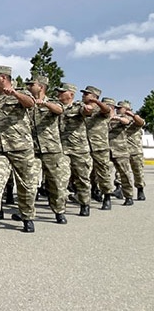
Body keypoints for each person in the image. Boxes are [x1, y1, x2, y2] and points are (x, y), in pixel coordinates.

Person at [0, 65, 37, 232]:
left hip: (20, 146)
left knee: (26, 184)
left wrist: (15, 94)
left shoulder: (22, 92)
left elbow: (30, 104)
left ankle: (27, 216)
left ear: (3, 78)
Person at [23, 75, 69, 224]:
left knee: (55, 183)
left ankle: (59, 211)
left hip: (51, 149)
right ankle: (27, 214)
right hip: (32, 149)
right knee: (29, 182)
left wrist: (45, 104)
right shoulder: (27, 102)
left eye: (32, 84)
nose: (29, 87)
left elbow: (59, 110)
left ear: (41, 87)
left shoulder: (53, 102)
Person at [57, 83, 94, 216]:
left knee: (82, 179)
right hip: (62, 149)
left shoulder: (78, 106)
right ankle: (60, 209)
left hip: (79, 149)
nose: (59, 94)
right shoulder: (56, 107)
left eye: (62, 92)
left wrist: (88, 109)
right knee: (61, 178)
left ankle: (85, 203)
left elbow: (86, 111)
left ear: (71, 94)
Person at [81, 86, 113, 210]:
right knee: (85, 173)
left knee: (103, 173)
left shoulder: (101, 110)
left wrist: (96, 103)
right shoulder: (82, 108)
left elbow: (107, 109)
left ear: (94, 96)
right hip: (84, 146)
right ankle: (87, 197)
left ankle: (107, 197)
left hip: (100, 146)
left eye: (86, 94)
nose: (83, 95)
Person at [104, 97, 134, 206]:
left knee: (124, 174)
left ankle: (128, 196)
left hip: (120, 151)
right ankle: (105, 195)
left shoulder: (121, 118)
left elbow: (127, 121)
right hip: (105, 150)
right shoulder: (101, 118)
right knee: (104, 174)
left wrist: (116, 118)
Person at [120, 101, 147, 201]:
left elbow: (141, 122)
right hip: (122, 151)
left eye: (120, 108)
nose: (118, 110)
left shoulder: (135, 121)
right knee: (122, 173)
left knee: (138, 172)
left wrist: (132, 115)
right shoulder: (119, 121)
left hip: (135, 151)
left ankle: (140, 189)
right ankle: (120, 189)